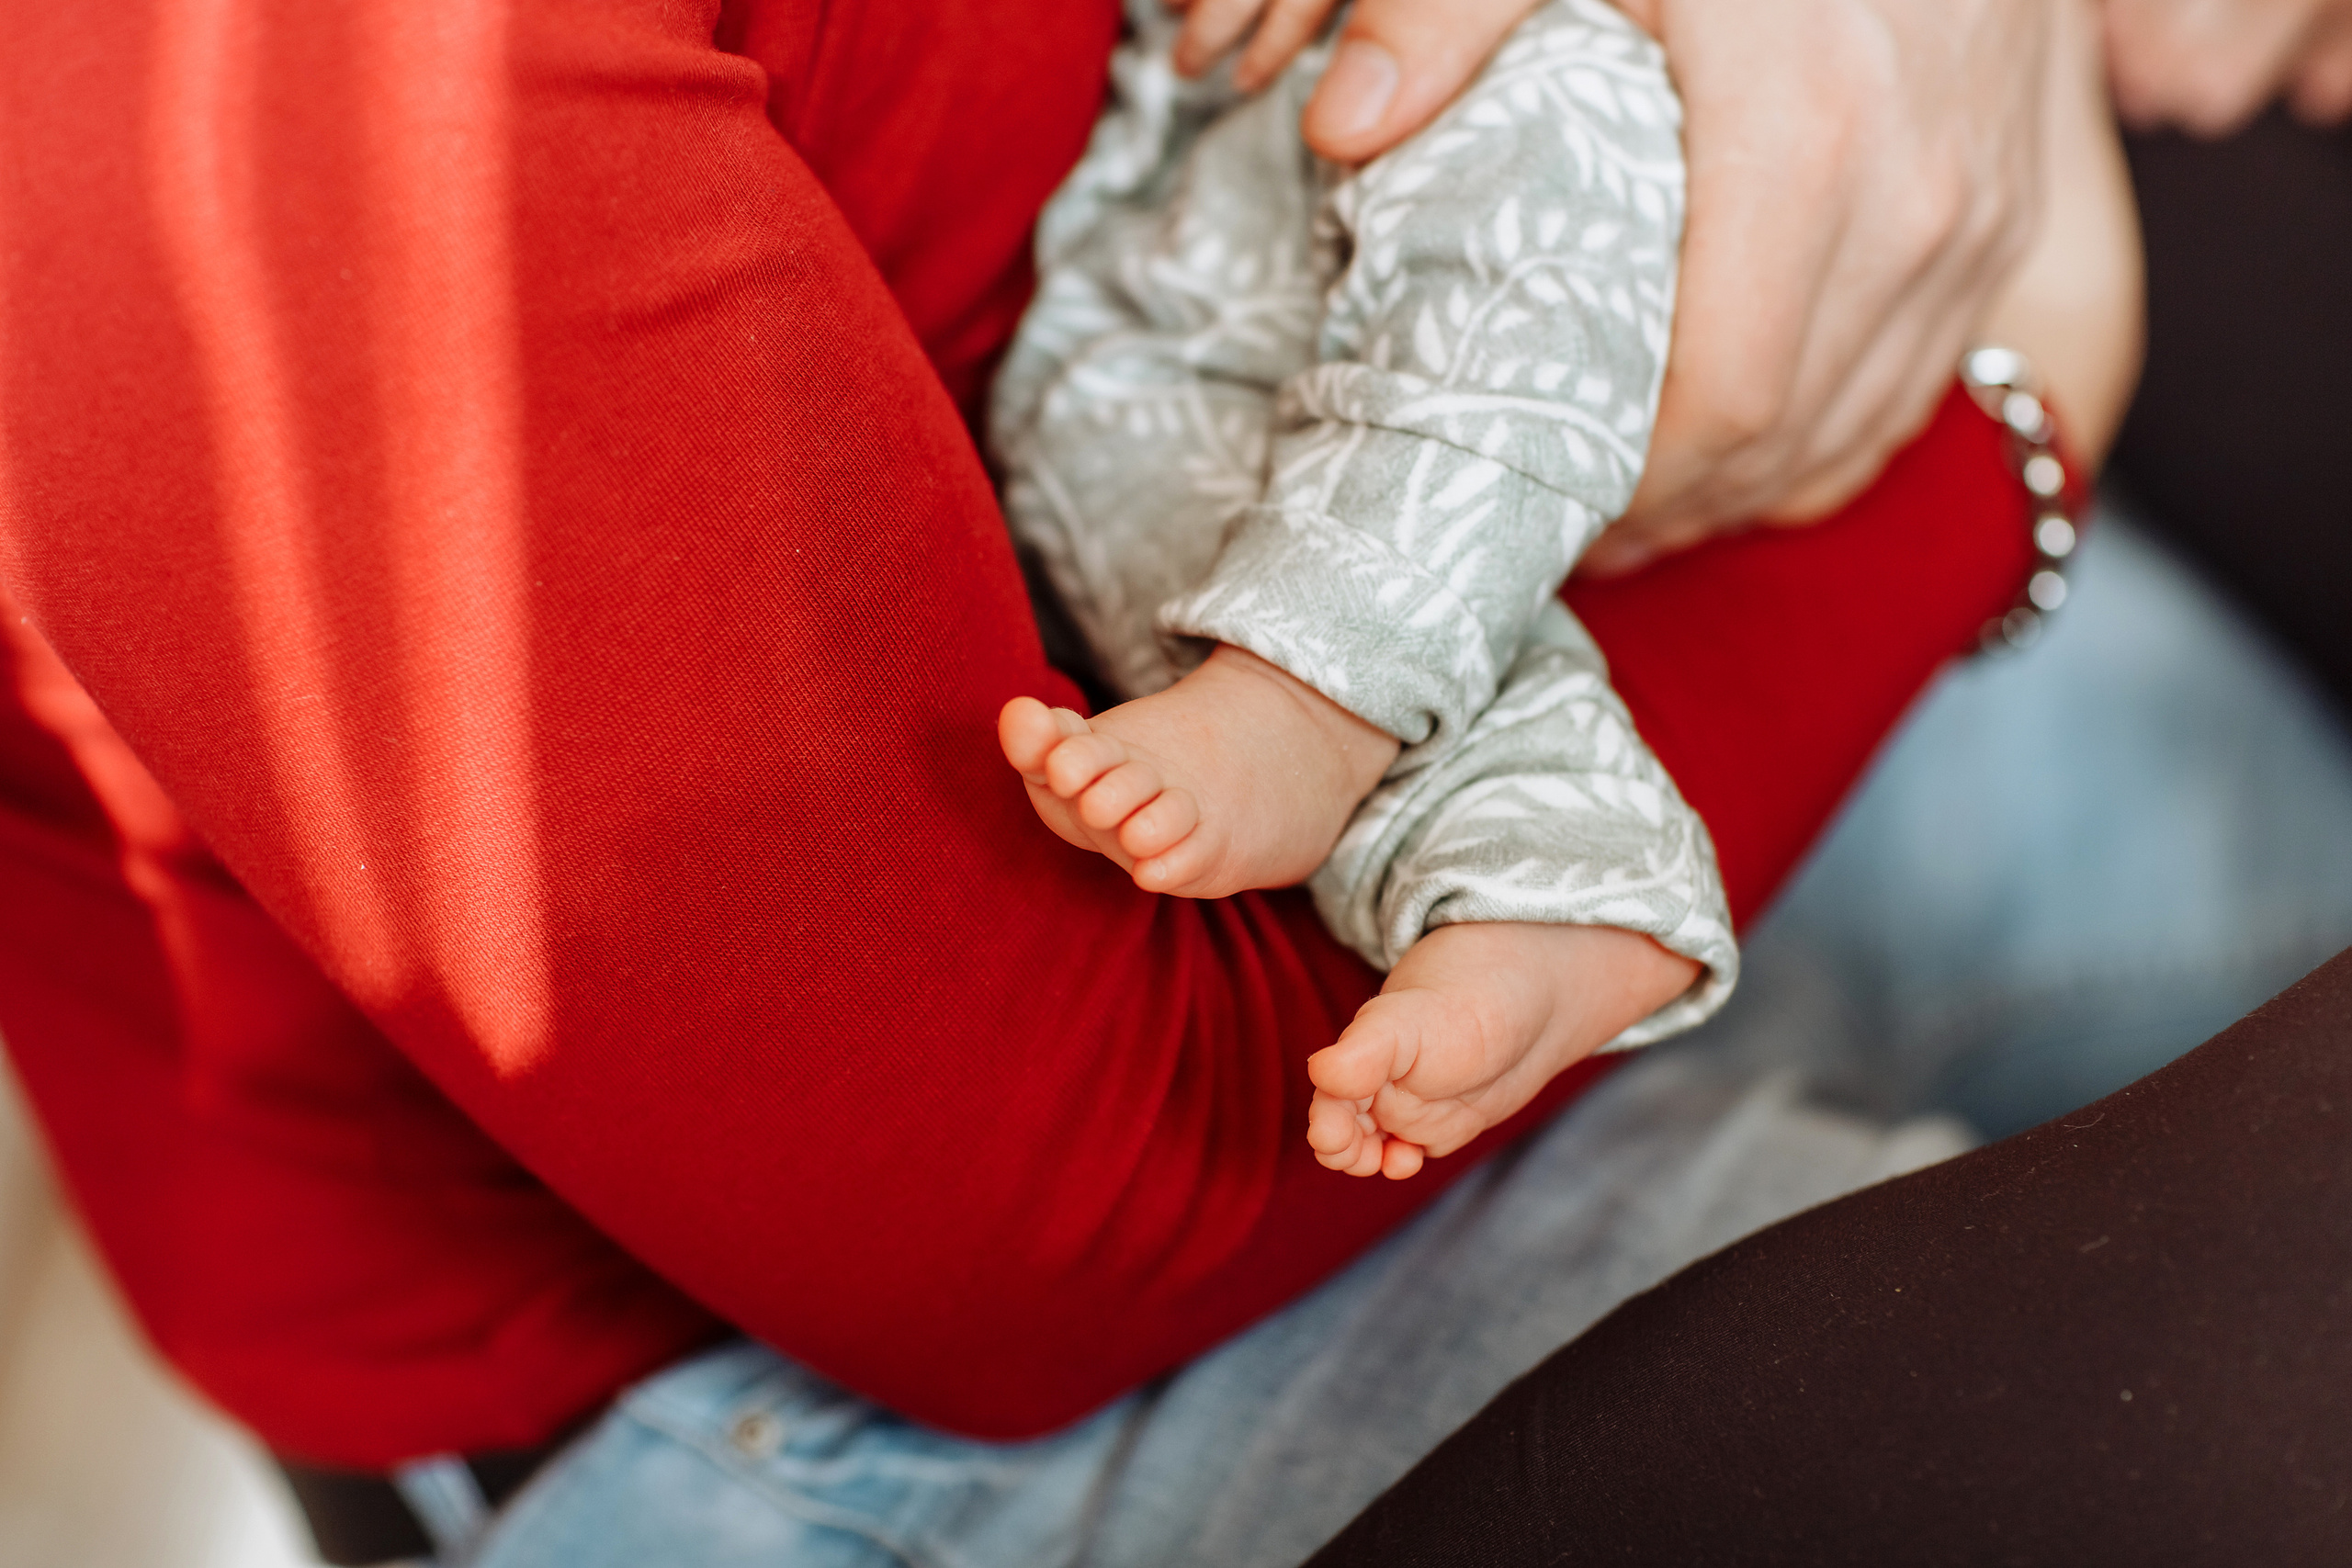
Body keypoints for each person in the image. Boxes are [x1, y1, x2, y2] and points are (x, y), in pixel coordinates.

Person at [0, 0, 2093, 1562]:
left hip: (1400, 373)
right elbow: (1043, 1228)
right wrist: (2004, 410)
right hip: (806, 1366)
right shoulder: (219, 94)